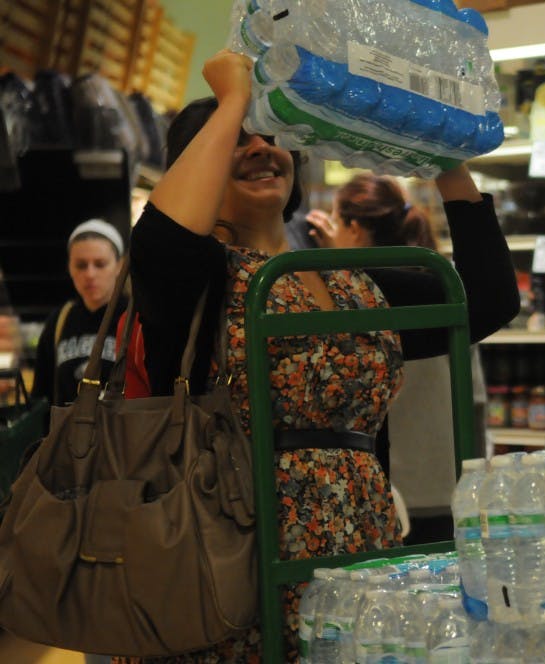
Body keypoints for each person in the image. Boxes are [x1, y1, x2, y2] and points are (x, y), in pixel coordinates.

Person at [113, 49, 518, 663]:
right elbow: (163, 240)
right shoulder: (196, 285)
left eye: (270, 137)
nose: (257, 147)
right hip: (230, 557)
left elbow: (485, 300)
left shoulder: (352, 279)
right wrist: (231, 102)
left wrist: (444, 162)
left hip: (360, 551)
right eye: (233, 141)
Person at [306, 173, 490, 541]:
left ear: (355, 229)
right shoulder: (443, 285)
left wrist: (332, 265)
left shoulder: (355, 302)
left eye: (337, 221)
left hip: (386, 489)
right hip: (451, 485)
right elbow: (477, 399)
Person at [30, 219, 126, 408]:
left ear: (119, 266)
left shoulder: (135, 319)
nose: (90, 274)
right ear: (70, 267)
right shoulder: (59, 321)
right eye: (81, 265)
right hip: (68, 435)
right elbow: (41, 397)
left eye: (100, 264)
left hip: (123, 434)